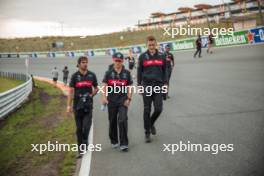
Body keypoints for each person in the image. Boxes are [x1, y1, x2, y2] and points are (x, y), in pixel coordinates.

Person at [137, 36, 168, 143]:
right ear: (147, 45)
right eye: (149, 45)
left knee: (159, 108)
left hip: (159, 86)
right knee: (147, 109)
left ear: (156, 44)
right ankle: (147, 132)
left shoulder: (161, 56)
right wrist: (139, 85)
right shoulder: (142, 57)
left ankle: (150, 123)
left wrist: (166, 84)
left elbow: (165, 72)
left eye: (153, 44)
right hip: (146, 85)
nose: (151, 46)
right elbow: (139, 72)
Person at [67, 56, 98, 158]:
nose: (85, 64)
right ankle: (80, 149)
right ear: (79, 64)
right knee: (79, 129)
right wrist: (68, 105)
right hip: (77, 106)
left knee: (86, 127)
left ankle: (85, 141)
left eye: (86, 62)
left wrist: (91, 95)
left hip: (88, 106)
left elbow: (96, 88)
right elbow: (71, 91)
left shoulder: (92, 75)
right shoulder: (74, 76)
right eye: (83, 62)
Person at [102, 52, 133, 152]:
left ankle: (124, 143)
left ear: (122, 61)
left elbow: (130, 87)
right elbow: (104, 85)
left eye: (120, 61)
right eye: (116, 60)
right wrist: (103, 97)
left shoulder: (126, 73)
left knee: (123, 120)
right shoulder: (108, 73)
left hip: (123, 101)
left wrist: (129, 99)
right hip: (111, 101)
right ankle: (114, 140)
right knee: (112, 121)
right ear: (113, 60)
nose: (118, 62)